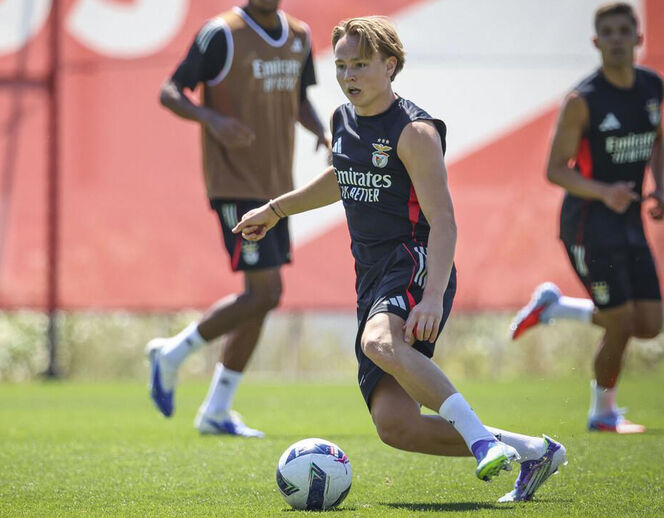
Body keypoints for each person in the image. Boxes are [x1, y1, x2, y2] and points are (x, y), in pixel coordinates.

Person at [233, 16, 566, 502]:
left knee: (378, 341)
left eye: (361, 65)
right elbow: (340, 176)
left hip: (415, 260)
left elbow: (444, 221)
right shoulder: (342, 119)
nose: (349, 76)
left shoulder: (416, 132)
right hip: (371, 274)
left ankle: (480, 443)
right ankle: (535, 451)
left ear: (390, 66)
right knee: (396, 426)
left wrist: (432, 295)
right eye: (342, 65)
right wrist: (276, 209)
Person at [147, 0, 329, 437]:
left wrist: (321, 129)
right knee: (265, 291)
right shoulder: (221, 33)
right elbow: (170, 91)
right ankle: (172, 355)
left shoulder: (299, 35)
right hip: (234, 182)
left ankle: (216, 408)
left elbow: (298, 98)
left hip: (276, 187)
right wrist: (211, 119)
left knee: (264, 296)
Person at [509, 2, 662, 434]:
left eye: (623, 31)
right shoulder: (583, 100)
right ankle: (602, 413)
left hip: (629, 220)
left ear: (638, 38)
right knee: (619, 322)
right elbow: (554, 169)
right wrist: (605, 192)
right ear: (596, 42)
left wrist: (661, 185)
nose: (616, 39)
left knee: (650, 324)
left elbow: (658, 142)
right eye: (607, 33)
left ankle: (556, 307)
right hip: (588, 225)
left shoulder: (653, 87)